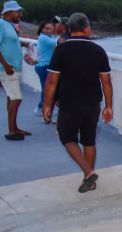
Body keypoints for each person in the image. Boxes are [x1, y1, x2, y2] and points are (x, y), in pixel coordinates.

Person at [42, 13, 113, 193]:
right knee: (89, 140)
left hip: (70, 102)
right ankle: (90, 179)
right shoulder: (98, 51)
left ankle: (88, 173)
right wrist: (109, 106)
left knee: (67, 137)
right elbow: (106, 81)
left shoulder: (61, 50)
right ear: (87, 28)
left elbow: (51, 81)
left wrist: (47, 104)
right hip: (93, 102)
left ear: (69, 29)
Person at [0, 0, 30, 141]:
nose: (20, 14)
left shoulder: (9, 26)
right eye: (18, 11)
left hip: (14, 67)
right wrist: (6, 65)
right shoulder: (1, 24)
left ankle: (14, 127)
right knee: (16, 98)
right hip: (8, 68)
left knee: (11, 97)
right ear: (10, 12)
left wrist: (24, 43)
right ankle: (12, 131)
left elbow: (10, 43)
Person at [34, 20, 57, 113]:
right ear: (42, 29)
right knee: (47, 89)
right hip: (44, 66)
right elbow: (56, 43)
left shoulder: (47, 37)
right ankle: (41, 108)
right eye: (46, 28)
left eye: (50, 28)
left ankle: (41, 107)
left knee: (46, 88)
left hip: (43, 65)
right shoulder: (43, 38)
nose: (49, 30)